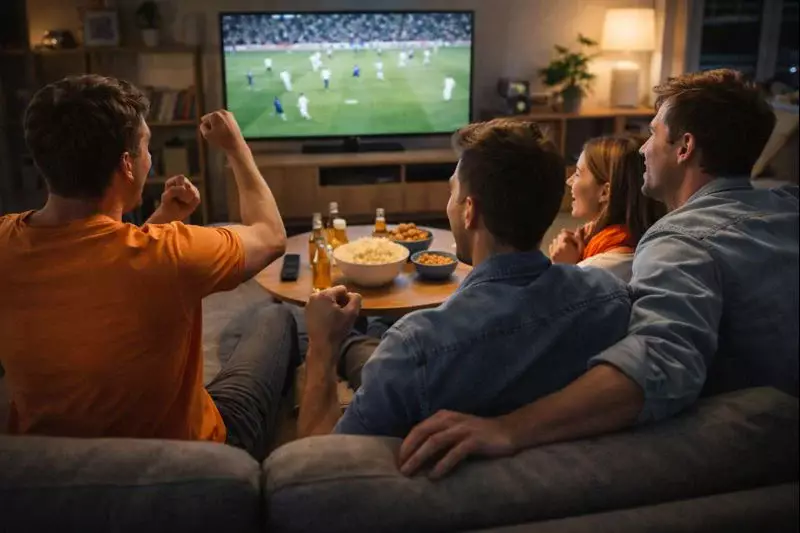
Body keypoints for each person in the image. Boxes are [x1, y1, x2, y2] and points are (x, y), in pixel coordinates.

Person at [397, 69, 799, 480]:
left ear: (684, 148)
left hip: (748, 458)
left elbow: (660, 364)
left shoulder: (681, 242)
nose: (642, 149)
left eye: (654, 133)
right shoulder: (787, 207)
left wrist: (508, 428)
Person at [0, 75, 293, 461]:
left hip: (51, 460)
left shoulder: (6, 237)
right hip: (184, 460)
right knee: (276, 320)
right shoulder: (170, 253)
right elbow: (271, 235)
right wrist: (235, 148)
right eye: (146, 146)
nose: (149, 158)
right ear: (127, 164)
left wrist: (162, 218)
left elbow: (101, 270)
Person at [296, 118, 632, 439]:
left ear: (469, 211)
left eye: (452, 192)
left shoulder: (415, 346)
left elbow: (316, 459)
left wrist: (322, 347)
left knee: (298, 324)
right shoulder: (610, 299)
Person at [548, 136, 665, 282]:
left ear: (605, 192)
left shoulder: (598, 268)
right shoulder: (643, 241)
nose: (569, 181)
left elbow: (552, 302)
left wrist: (563, 269)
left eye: (577, 174)